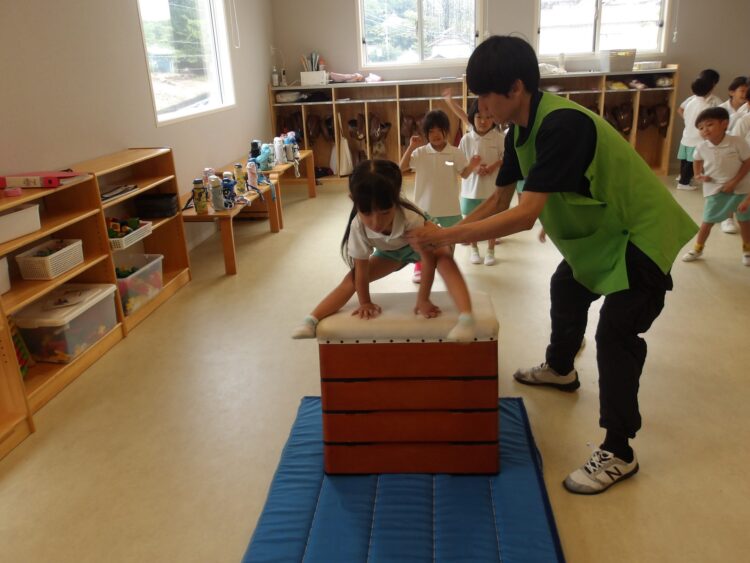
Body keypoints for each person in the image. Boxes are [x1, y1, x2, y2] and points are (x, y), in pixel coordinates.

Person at [406, 35, 698, 495]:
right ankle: (561, 369)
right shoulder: (517, 132)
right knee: (566, 286)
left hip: (640, 236)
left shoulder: (562, 125)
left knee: (615, 334)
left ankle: (619, 451)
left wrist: (444, 237)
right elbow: (499, 200)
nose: (481, 106)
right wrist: (449, 237)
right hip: (603, 236)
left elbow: (524, 216)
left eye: (485, 96)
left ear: (516, 88)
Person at [292, 159, 476, 342]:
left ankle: (466, 318)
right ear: (353, 200)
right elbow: (361, 270)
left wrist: (423, 299)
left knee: (444, 260)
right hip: (391, 253)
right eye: (367, 213)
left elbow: (427, 261)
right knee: (351, 278)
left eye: (385, 212)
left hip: (429, 242)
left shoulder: (411, 218)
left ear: (396, 199)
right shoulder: (357, 226)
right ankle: (311, 320)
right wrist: (365, 302)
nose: (376, 223)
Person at [399, 109, 481, 282]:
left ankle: (447, 266)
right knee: (423, 241)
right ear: (426, 134)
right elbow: (401, 168)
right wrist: (411, 147)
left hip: (450, 208)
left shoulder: (455, 153)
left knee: (449, 241)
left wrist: (472, 165)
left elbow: (464, 174)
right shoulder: (421, 153)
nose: (435, 135)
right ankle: (420, 266)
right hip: (425, 208)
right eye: (431, 131)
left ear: (446, 131)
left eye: (439, 130)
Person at [681, 107, 750, 266]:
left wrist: (734, 182)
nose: (705, 130)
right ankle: (698, 249)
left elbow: (748, 162)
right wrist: (698, 175)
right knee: (707, 221)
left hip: (741, 189)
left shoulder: (737, 142)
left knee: (744, 221)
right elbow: (697, 160)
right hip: (715, 189)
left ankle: (747, 251)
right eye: (701, 128)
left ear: (724, 124)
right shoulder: (702, 147)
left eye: (709, 124)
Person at [443, 96, 506, 265]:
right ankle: (474, 250)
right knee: (472, 221)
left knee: (492, 222)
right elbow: (461, 161)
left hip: (492, 188)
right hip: (470, 190)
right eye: (479, 117)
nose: (483, 121)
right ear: (472, 118)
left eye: (488, 117)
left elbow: (505, 157)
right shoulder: (466, 139)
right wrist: (474, 167)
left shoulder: (499, 138)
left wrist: (493, 166)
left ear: (494, 119)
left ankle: (491, 251)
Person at [718, 76, 749, 233]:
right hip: (735, 156)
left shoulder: (745, 112)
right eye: (742, 91)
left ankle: (743, 216)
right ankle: (727, 217)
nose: (743, 94)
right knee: (732, 187)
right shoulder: (740, 117)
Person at [677, 76, 717, 190]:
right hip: (696, 138)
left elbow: (684, 113)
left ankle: (683, 179)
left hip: (687, 135)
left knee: (684, 161)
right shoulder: (707, 106)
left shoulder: (691, 101)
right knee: (692, 162)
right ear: (710, 90)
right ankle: (684, 183)